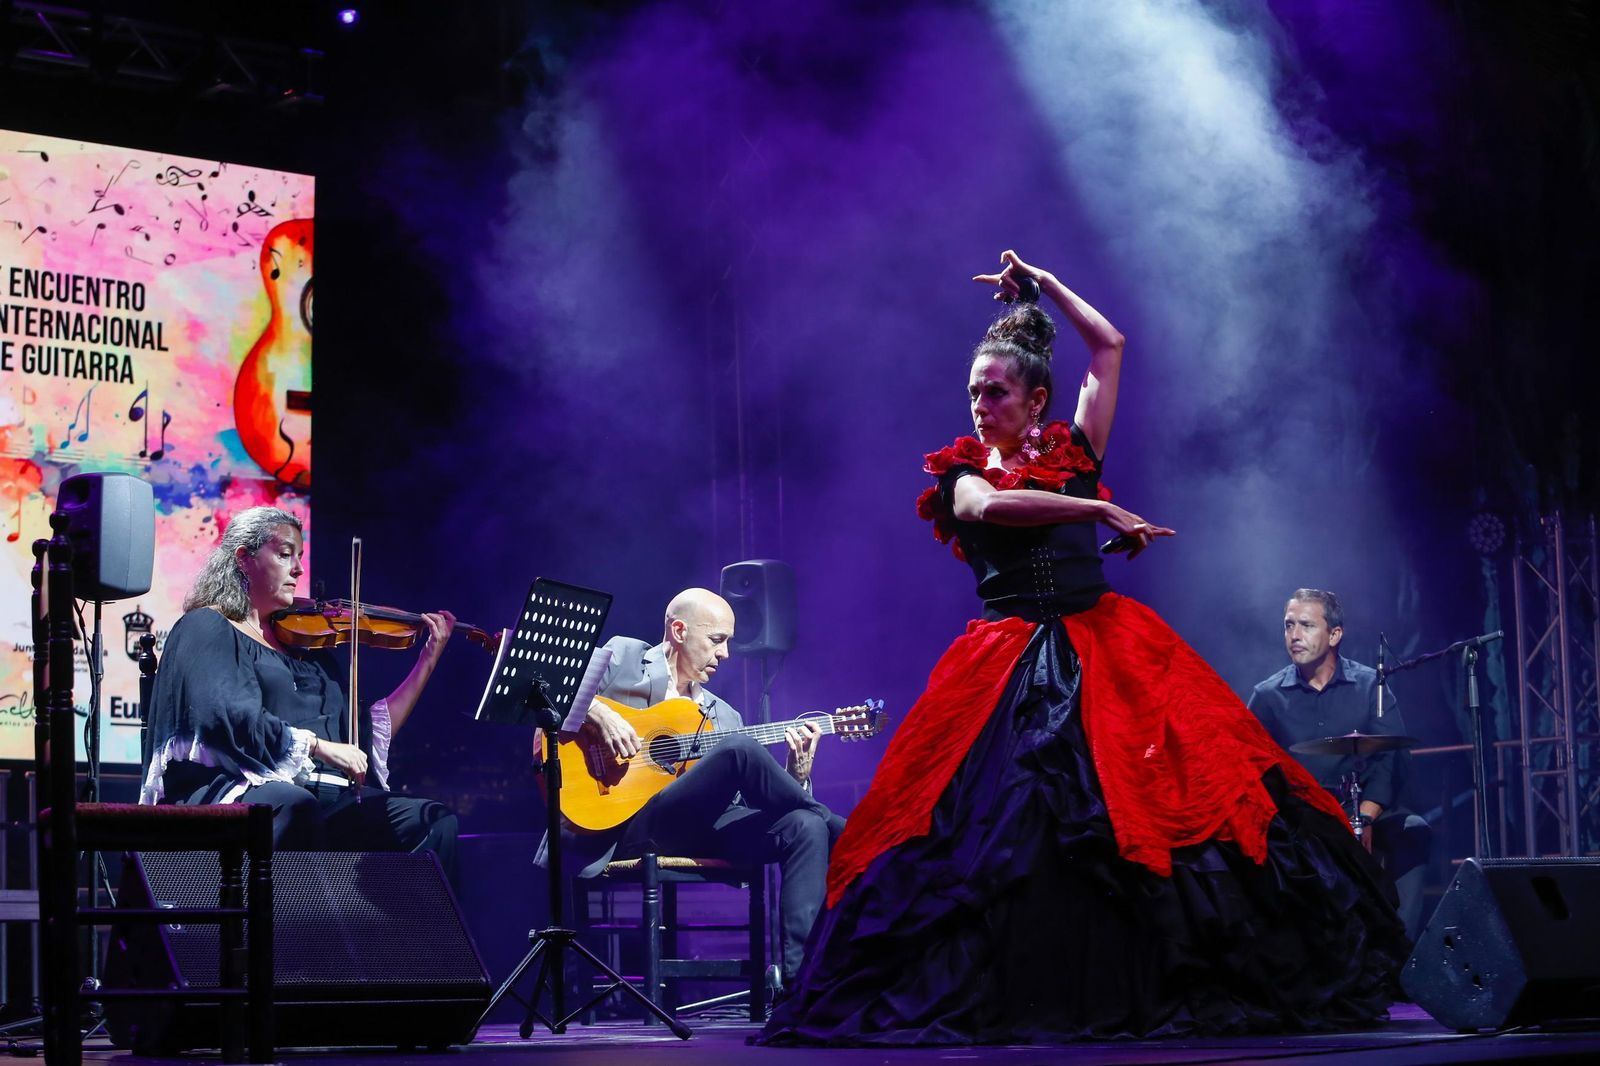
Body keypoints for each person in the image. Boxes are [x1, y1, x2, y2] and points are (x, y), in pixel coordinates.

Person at [760, 251, 1408, 1045]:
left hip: (1106, 647)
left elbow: (1109, 349)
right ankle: (1025, 990)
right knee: (1002, 823)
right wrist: (1101, 513)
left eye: (995, 391)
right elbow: (994, 508)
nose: (979, 404)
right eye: (973, 391)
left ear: (1036, 400)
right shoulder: (962, 472)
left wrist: (1043, 283)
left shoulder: (1074, 451)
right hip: (1006, 660)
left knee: (1163, 808)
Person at [534, 587, 844, 991]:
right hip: (623, 822)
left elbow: (742, 802)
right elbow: (546, 684)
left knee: (804, 824)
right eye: (717, 640)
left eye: (728, 642)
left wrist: (796, 777)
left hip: (699, 831)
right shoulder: (625, 655)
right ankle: (851, 833)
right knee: (739, 749)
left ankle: (801, 984)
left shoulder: (722, 713)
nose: (726, 654)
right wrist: (598, 711)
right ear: (679, 630)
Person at [139, 506, 459, 879]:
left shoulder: (309, 651)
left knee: (432, 822)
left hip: (327, 798)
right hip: (241, 791)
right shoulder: (209, 627)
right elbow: (226, 714)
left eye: (300, 557)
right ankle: (298, 933)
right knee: (295, 806)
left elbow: (362, 733)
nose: (298, 570)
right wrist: (317, 747)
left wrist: (427, 661)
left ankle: (404, 938)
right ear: (244, 558)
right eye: (284, 554)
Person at [1248, 589, 1433, 940]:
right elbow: (1246, 764)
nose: (1294, 635)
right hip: (1299, 819)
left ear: (1334, 634)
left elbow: (1392, 756)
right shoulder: (1267, 696)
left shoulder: (1369, 686)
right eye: (1288, 625)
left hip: (1360, 809)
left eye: (1306, 625)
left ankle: (1402, 951)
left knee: (1414, 830)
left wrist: (1365, 817)